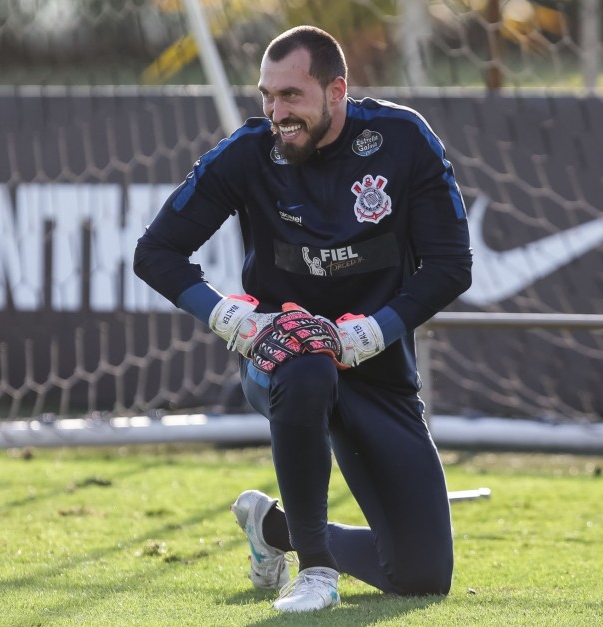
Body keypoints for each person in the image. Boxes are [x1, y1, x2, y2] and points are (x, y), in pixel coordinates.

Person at [133, 25, 472, 613]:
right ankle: (315, 571)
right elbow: (154, 252)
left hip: (376, 367)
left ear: (336, 91)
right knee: (307, 362)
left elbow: (451, 266)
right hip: (280, 361)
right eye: (267, 95)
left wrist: (373, 332)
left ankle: (275, 530)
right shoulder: (247, 152)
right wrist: (236, 323)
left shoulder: (403, 139)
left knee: (422, 575)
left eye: (291, 96)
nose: (275, 111)